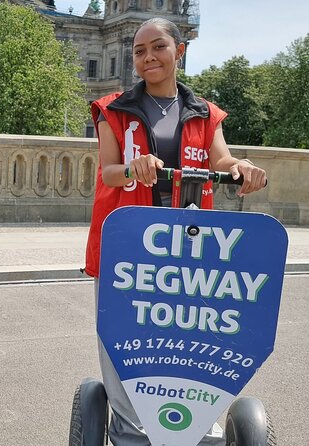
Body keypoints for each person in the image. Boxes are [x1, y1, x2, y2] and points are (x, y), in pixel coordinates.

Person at [83, 17, 267, 446]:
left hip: (191, 248)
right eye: (139, 51)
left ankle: (195, 427)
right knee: (126, 339)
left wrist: (239, 167)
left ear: (179, 51)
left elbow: (220, 160)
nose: (148, 58)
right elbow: (109, 171)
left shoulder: (204, 112)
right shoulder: (113, 108)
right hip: (129, 245)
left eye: (158, 47)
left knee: (189, 334)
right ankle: (132, 432)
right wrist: (134, 166)